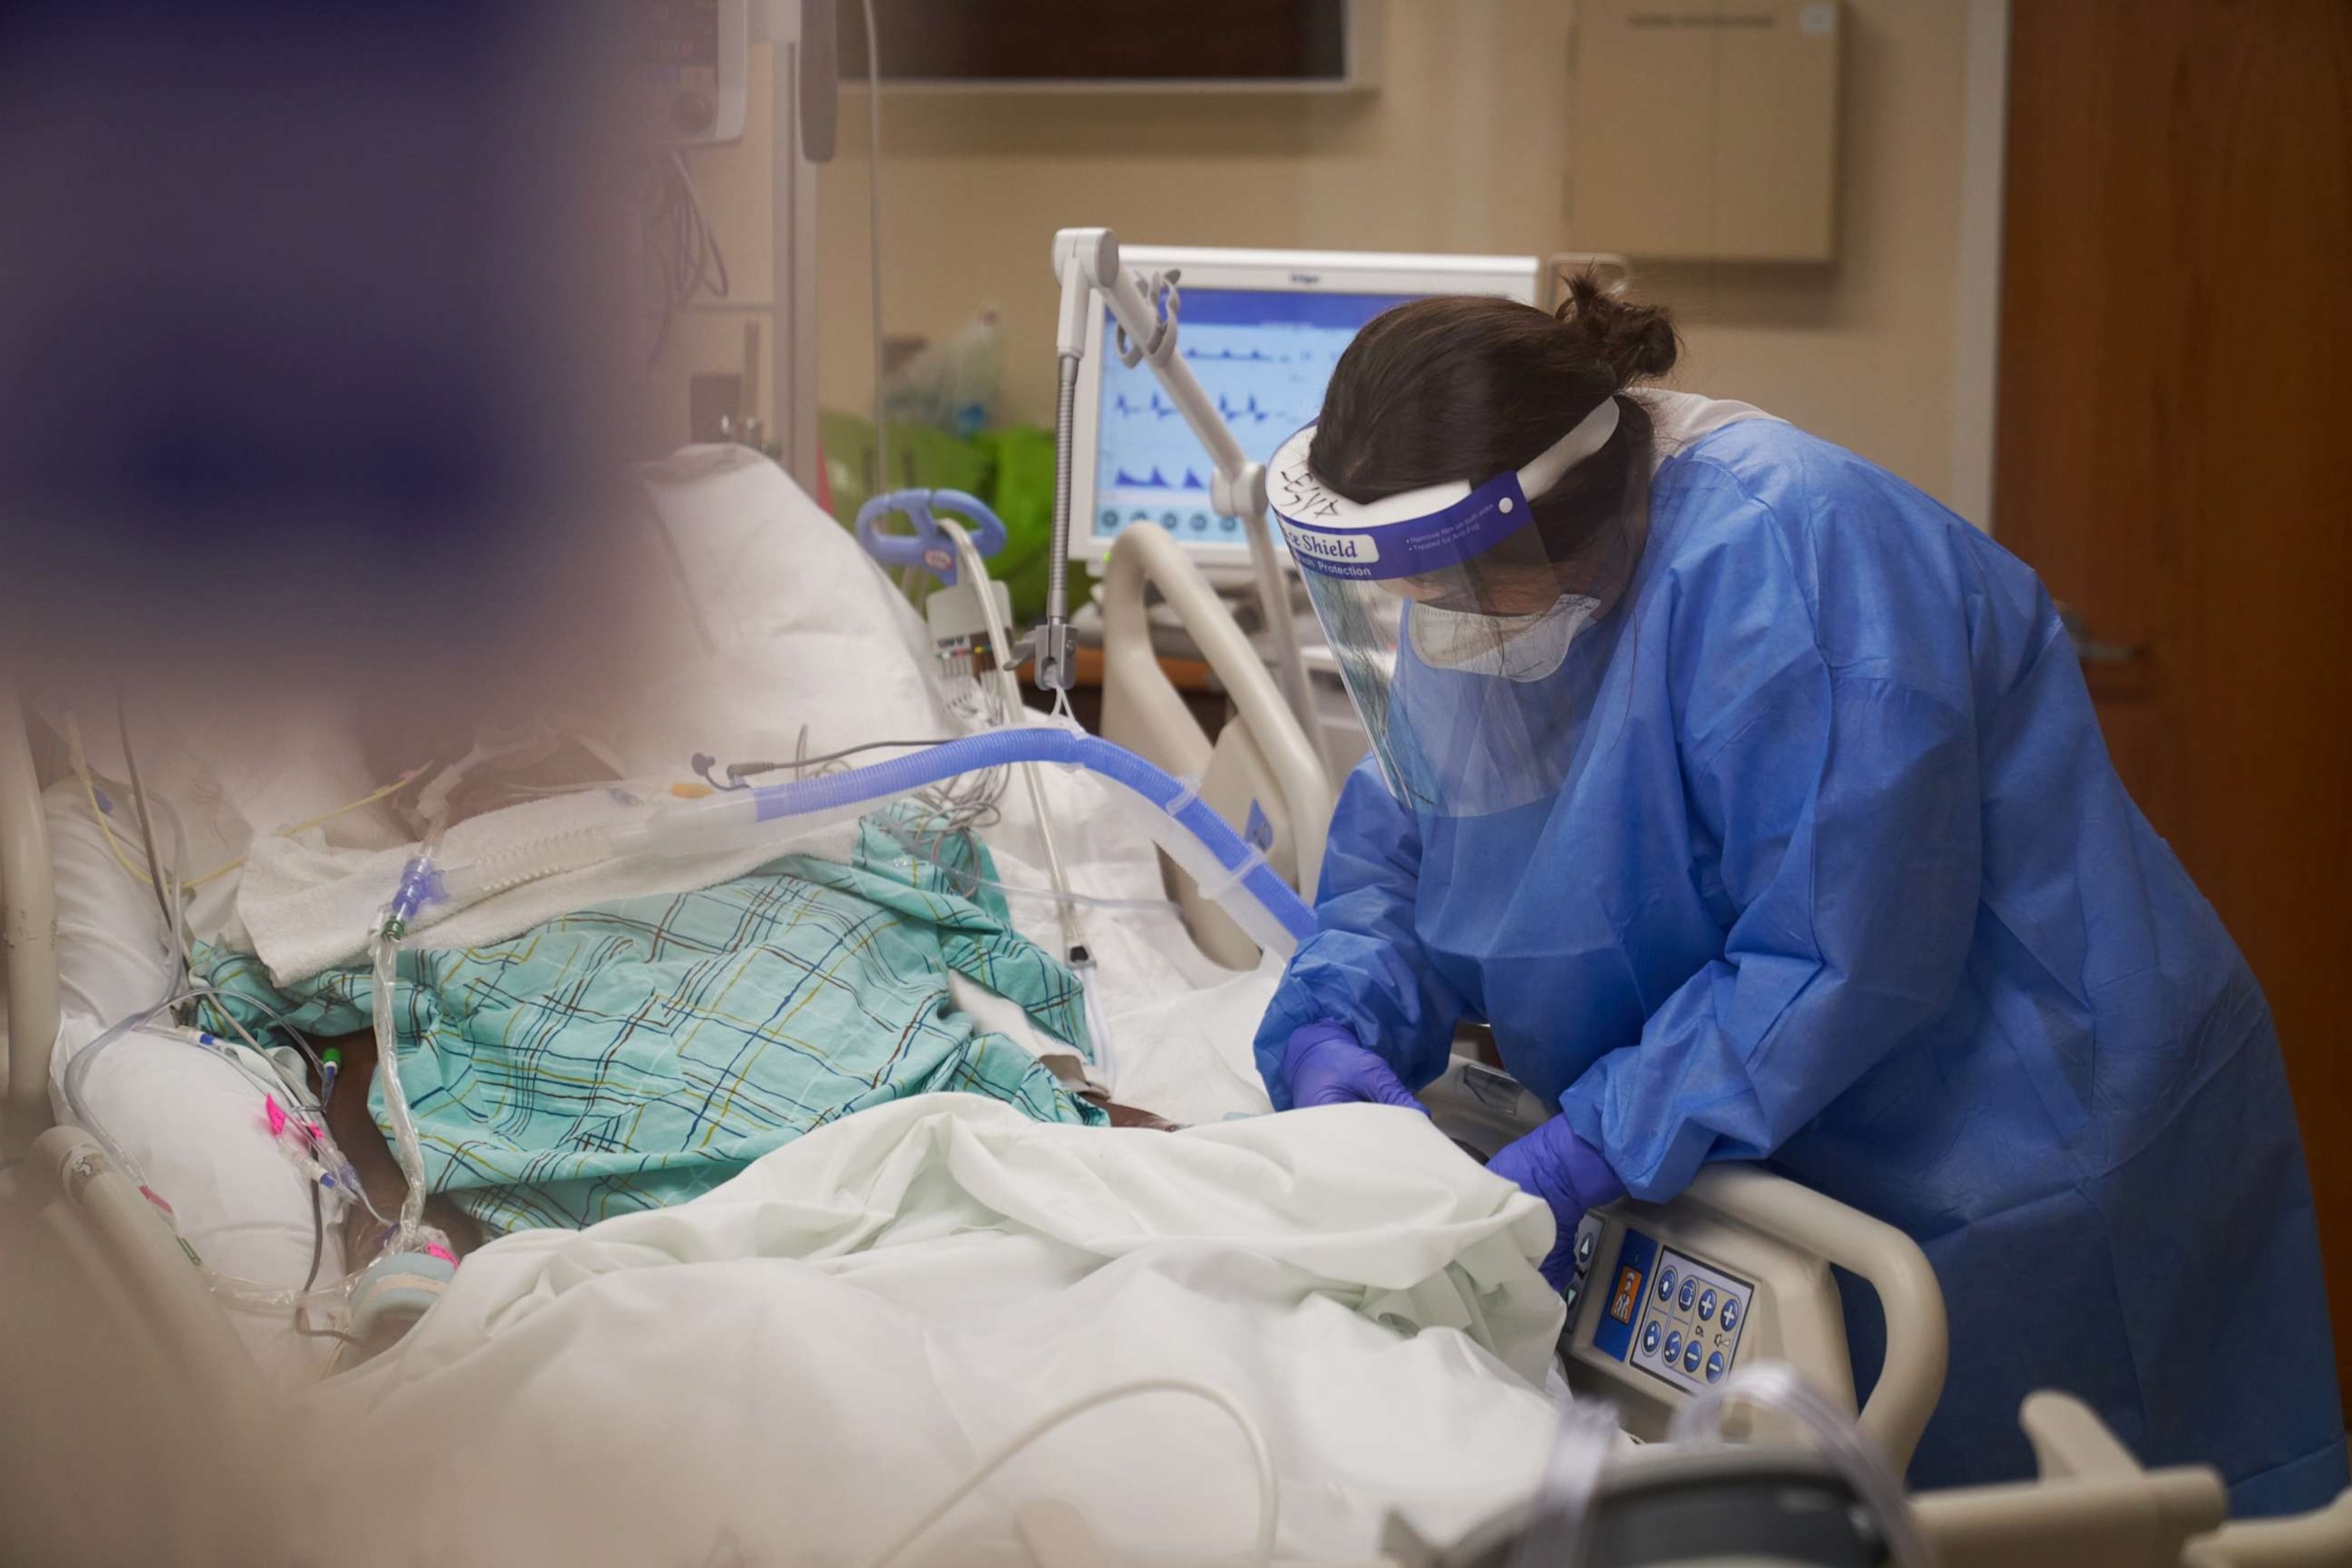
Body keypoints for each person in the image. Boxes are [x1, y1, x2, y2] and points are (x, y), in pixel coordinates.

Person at [1254, 281, 2347, 1512]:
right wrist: (1337, 1012)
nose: (1440, 624)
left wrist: (1602, 1139)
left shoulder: (1792, 562)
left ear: (1577, 511)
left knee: (2101, 1515)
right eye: (1417, 594)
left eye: (1461, 584)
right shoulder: (1488, 582)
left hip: (2029, 1127)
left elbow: (1835, 952)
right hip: (1785, 1132)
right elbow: (1418, 830)